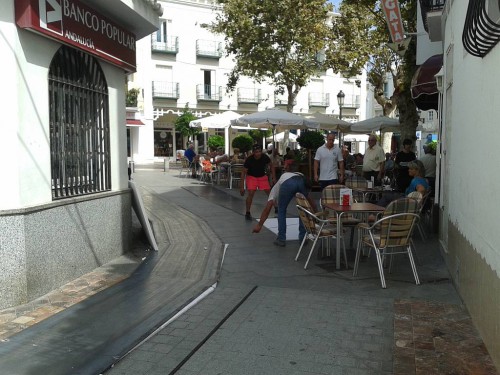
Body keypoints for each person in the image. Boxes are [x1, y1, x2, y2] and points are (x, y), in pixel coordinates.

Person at [252, 161, 316, 247]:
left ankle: (281, 239)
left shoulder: (282, 178)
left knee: (281, 210)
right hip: (301, 182)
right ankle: (303, 238)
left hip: (287, 184)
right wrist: (317, 214)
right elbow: (310, 200)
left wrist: (259, 225)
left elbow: (269, 206)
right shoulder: (301, 176)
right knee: (303, 209)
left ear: (287, 170)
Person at [240, 144, 275, 220]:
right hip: (252, 177)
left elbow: (272, 166)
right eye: (256, 152)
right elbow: (243, 173)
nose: (258, 153)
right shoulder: (249, 159)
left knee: (269, 192)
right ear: (253, 152)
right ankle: (248, 212)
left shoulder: (265, 157)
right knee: (251, 193)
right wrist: (242, 187)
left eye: (259, 151)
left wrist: (273, 178)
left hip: (262, 177)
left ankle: (276, 207)